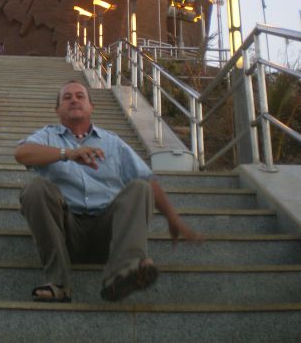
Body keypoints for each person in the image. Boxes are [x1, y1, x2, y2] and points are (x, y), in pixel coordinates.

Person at [14, 81, 201, 303]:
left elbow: (147, 179)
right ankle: (59, 283)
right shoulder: (47, 136)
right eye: (67, 97)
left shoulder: (112, 142)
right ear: (57, 110)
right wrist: (68, 153)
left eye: (80, 96)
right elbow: (22, 153)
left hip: (109, 233)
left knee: (140, 186)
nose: (74, 100)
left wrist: (172, 217)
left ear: (91, 106)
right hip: (66, 232)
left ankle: (122, 273)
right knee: (35, 188)